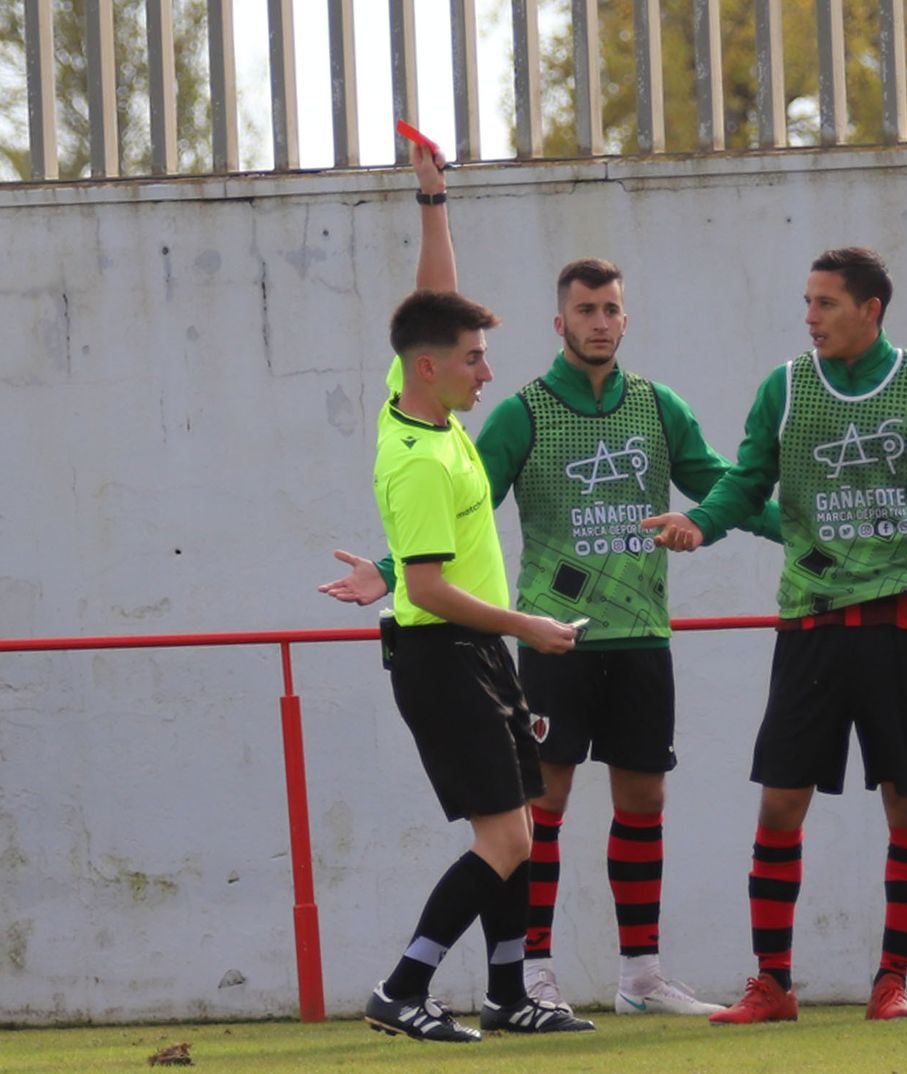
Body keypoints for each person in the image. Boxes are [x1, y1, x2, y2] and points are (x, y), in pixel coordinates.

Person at [323, 139, 779, 1017]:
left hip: (636, 630)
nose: (600, 320)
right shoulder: (511, 413)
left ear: (626, 319)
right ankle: (517, 973)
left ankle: (636, 974)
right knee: (539, 808)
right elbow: (456, 513)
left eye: (612, 308)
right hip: (543, 636)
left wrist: (775, 528)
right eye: (584, 308)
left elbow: (717, 480)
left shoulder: (650, 405)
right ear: (559, 322)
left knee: (635, 798)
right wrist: (388, 573)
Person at [642, 246, 907, 1023]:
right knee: (780, 805)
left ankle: (892, 982)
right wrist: (698, 524)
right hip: (811, 624)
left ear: (870, 309)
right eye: (807, 302)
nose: (810, 317)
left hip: (900, 624)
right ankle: (773, 984)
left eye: (825, 303)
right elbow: (745, 482)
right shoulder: (784, 389)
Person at [360, 289, 595, 1042]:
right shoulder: (422, 461)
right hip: (442, 660)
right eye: (474, 358)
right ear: (428, 368)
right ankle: (404, 987)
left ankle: (506, 996)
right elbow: (423, 587)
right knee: (509, 841)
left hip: (476, 657)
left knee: (518, 827)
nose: (487, 372)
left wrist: (434, 198)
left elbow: (434, 299)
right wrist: (526, 623)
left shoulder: (423, 405)